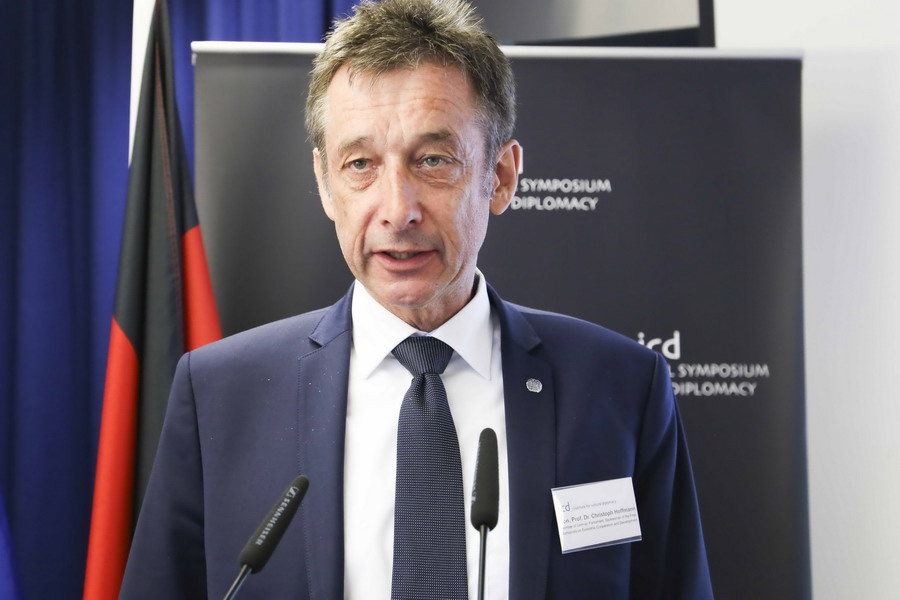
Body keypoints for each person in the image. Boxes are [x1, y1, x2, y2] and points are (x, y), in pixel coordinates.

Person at [120, 0, 713, 598]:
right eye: (360, 164)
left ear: (501, 177)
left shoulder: (619, 388)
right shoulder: (220, 396)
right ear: (325, 183)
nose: (397, 210)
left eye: (433, 160)